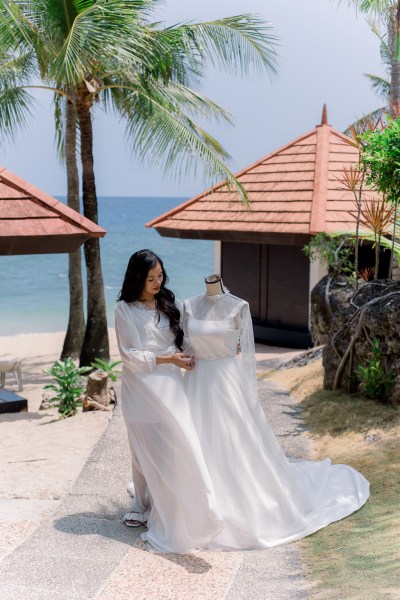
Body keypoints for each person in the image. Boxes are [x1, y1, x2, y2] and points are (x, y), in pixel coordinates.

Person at [182, 275, 370, 550]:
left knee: (231, 442)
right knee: (196, 440)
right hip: (197, 382)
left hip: (225, 381)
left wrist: (248, 396)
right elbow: (186, 347)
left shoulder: (238, 306)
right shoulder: (188, 306)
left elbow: (246, 354)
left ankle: (236, 501)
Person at [115, 251, 223, 553]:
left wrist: (193, 356)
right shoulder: (124, 310)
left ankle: (197, 506)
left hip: (171, 387)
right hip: (140, 388)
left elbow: (182, 339)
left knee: (180, 441)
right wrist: (169, 359)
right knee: (142, 448)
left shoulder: (168, 303)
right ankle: (142, 503)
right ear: (137, 278)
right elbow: (130, 356)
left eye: (160, 276)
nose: (157, 282)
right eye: (150, 278)